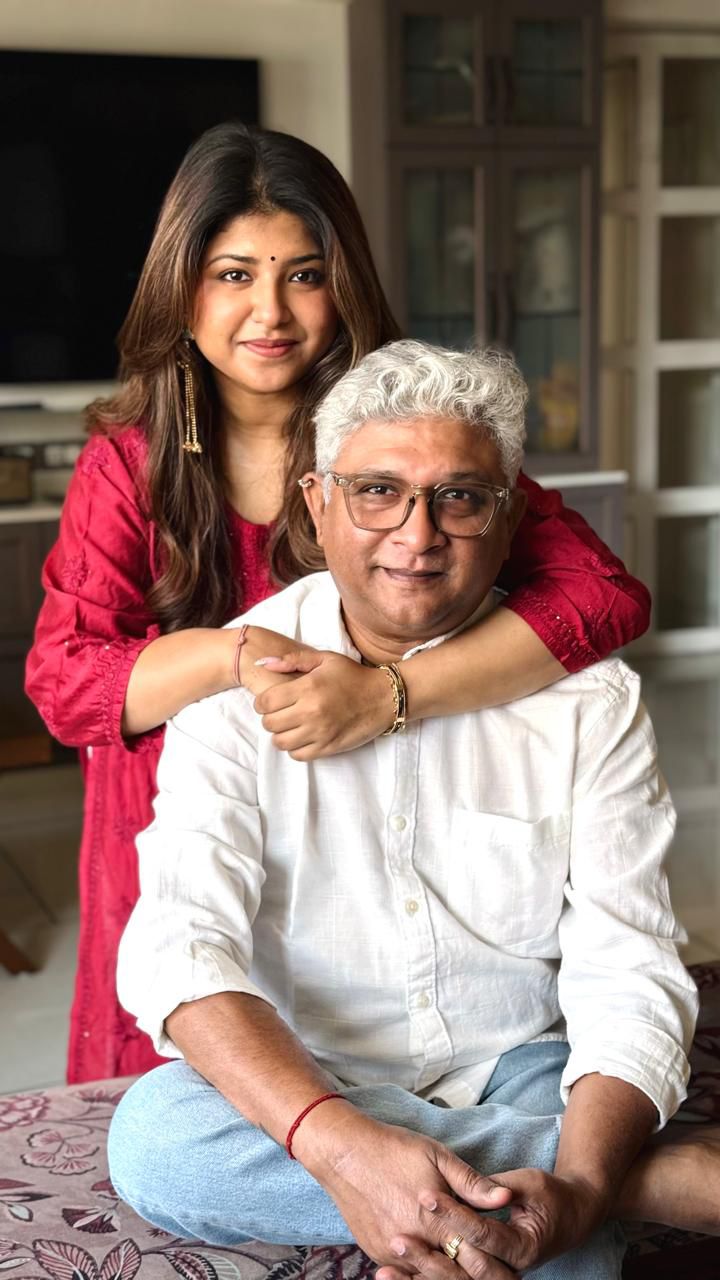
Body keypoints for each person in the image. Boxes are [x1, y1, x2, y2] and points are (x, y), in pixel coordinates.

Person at [26, 122, 650, 1086]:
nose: (269, 311)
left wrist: (386, 696)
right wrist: (242, 656)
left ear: (344, 285)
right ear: (182, 289)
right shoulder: (129, 465)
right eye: (234, 274)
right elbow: (68, 684)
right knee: (184, 1104)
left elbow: (602, 599)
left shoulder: (404, 445)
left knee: (405, 1074)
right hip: (174, 841)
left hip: (365, 836)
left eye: (305, 275)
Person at [107, 341, 707, 1280]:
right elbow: (182, 948)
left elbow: (627, 964)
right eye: (377, 492)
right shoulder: (236, 678)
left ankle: (572, 1183)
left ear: (508, 517)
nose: (417, 535)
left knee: (558, 1225)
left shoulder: (591, 701)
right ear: (318, 504)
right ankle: (647, 1183)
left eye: (459, 498)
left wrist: (581, 1173)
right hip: (307, 1067)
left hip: (517, 1062)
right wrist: (342, 1147)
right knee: (158, 1139)